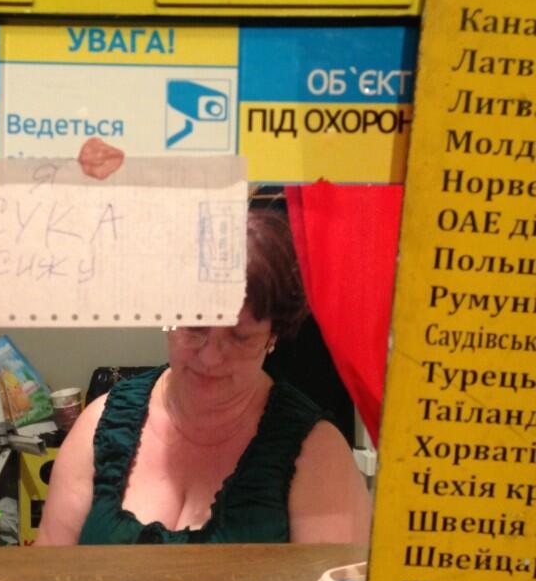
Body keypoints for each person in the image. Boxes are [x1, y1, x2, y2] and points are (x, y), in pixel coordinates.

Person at [35, 209, 372, 545]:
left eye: (240, 337)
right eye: (194, 327)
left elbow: (337, 579)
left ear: (272, 336)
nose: (211, 357)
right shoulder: (100, 427)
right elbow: (49, 568)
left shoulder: (318, 455)